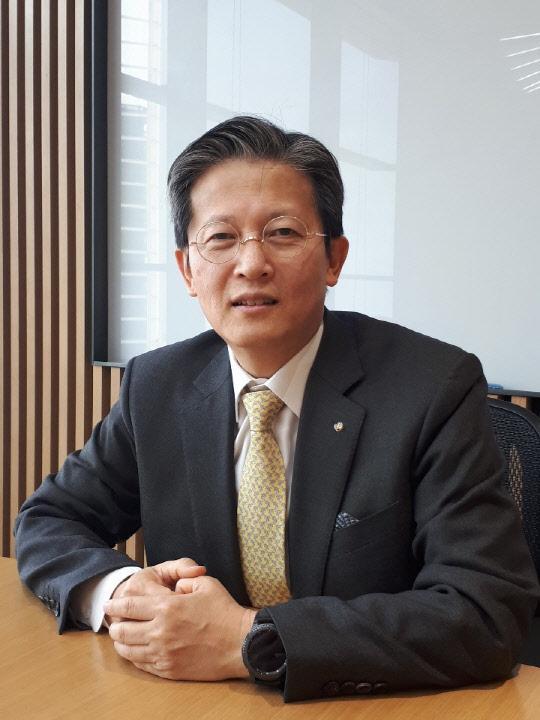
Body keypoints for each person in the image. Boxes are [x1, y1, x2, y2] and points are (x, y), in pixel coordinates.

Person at [14, 115, 538, 703]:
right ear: (188, 270)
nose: (251, 264)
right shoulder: (157, 386)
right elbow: (49, 520)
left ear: (334, 259)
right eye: (220, 238)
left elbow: (484, 613)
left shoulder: (433, 387)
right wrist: (119, 591)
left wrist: (247, 638)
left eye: (283, 232)